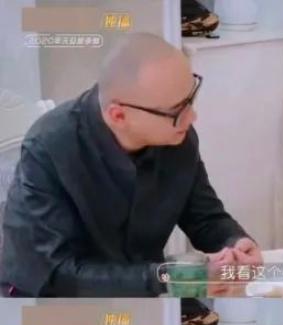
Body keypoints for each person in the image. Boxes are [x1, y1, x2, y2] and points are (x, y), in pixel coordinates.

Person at [0, 32, 261, 297]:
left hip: (141, 294)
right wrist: (167, 277)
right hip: (49, 305)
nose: (191, 117)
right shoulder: (50, 148)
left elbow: (204, 216)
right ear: (119, 115)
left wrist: (234, 242)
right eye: (177, 110)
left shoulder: (176, 136)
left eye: (190, 99)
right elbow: (55, 275)